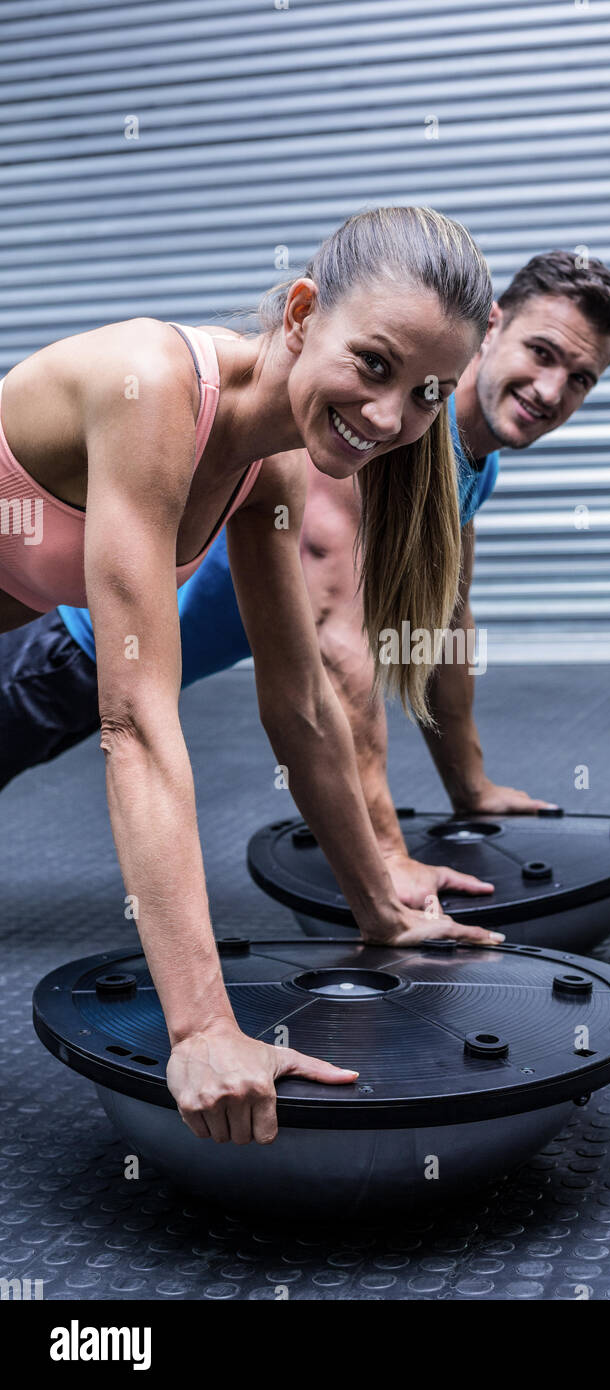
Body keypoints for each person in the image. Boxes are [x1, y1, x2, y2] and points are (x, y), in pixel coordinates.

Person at [0, 205, 506, 1147]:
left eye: (431, 394)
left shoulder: (268, 472)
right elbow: (136, 724)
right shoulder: (147, 388)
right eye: (375, 364)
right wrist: (200, 1029)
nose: (393, 419)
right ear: (305, 312)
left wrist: (379, 908)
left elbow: (302, 705)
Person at [1, 252, 610, 909]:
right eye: (541, 352)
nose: (549, 389)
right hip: (68, 645)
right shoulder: (373, 440)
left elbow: (444, 624)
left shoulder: (473, 463)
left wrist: (470, 786)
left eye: (580, 378)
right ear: (492, 327)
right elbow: (338, 653)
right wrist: (386, 858)